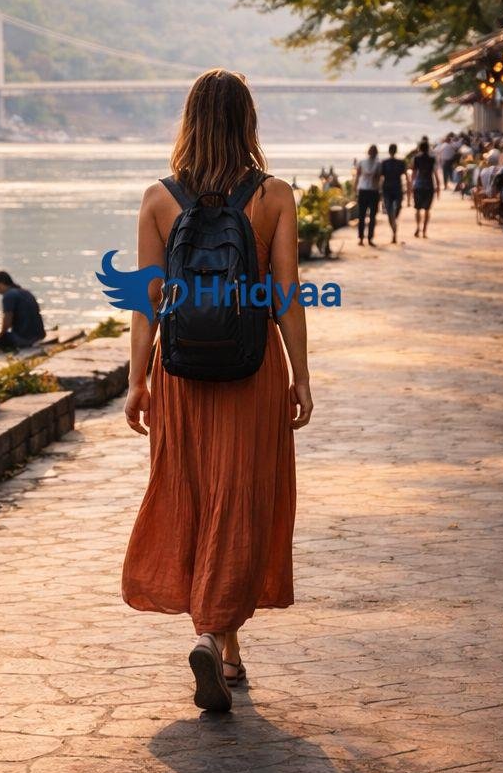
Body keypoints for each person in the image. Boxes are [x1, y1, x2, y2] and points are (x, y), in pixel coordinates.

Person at [122, 68, 310, 713]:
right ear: (247, 122)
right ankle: (216, 636)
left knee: (194, 494)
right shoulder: (275, 196)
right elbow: (284, 297)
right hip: (252, 371)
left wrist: (137, 380)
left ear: (189, 122)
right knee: (242, 499)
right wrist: (302, 376)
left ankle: (218, 641)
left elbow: (145, 304)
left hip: (180, 374)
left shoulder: (157, 198)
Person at [0, 271, 45, 350]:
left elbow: (7, 321)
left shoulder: (8, 295)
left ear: (1, 283)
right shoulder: (25, 292)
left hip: (24, 338)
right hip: (39, 335)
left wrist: (0, 336)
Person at [352, 144, 383, 246]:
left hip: (365, 191)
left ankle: (363, 238)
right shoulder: (377, 163)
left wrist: (354, 189)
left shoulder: (363, 162)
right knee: (370, 216)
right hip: (371, 191)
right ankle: (367, 238)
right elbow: (378, 178)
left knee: (364, 216)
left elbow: (357, 177)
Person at [379, 143, 409, 244]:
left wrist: (379, 192)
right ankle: (394, 232)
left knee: (391, 213)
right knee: (394, 213)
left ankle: (394, 231)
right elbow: (407, 178)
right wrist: (409, 191)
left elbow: (380, 178)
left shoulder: (385, 162)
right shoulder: (400, 163)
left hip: (389, 189)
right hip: (396, 190)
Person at [410, 138, 439, 238]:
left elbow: (413, 174)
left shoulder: (416, 158)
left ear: (419, 148)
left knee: (417, 209)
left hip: (418, 185)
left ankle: (418, 227)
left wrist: (411, 186)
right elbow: (435, 174)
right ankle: (424, 231)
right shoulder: (432, 159)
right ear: (428, 149)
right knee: (427, 209)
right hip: (429, 186)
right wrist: (438, 187)